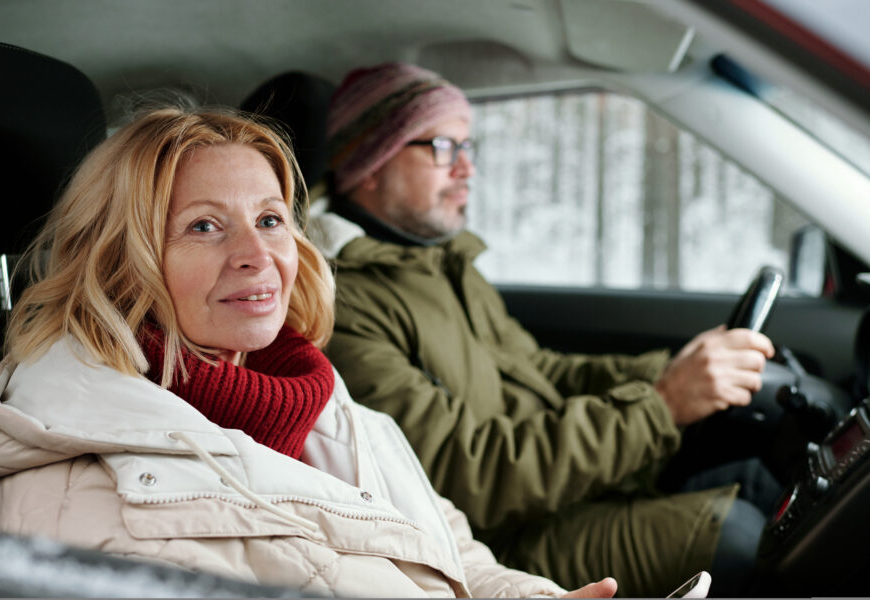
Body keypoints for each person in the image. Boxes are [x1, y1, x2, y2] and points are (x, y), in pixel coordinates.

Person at [0, 107, 617, 598]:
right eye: (204, 226)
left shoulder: (318, 397)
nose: (258, 255)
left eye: (271, 219)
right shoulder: (73, 508)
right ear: (118, 264)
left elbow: (444, 554)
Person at [309, 62, 780, 597]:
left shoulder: (441, 263)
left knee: (759, 476)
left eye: (469, 149)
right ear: (370, 162)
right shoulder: (342, 305)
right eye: (444, 148)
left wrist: (673, 373)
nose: (467, 169)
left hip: (559, 494)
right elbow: (467, 477)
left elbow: (538, 371)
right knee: (744, 536)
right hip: (500, 541)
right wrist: (662, 405)